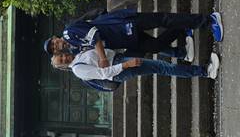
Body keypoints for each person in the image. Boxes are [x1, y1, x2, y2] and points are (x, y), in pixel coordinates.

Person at [44, 10, 224, 67]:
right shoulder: (74, 47)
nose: (56, 45)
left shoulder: (69, 32)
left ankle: (208, 21)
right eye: (54, 49)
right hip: (123, 40)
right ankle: (184, 26)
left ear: (55, 38)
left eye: (53, 42)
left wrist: (103, 58)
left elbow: (94, 35)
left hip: (123, 25)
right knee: (154, 46)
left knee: (163, 19)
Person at [50, 48, 220, 83]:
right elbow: (103, 73)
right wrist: (126, 65)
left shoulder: (78, 55)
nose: (64, 58)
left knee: (161, 67)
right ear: (63, 67)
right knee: (162, 67)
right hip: (120, 67)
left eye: (62, 56)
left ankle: (203, 71)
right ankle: (205, 71)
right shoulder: (78, 69)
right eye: (62, 61)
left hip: (119, 59)